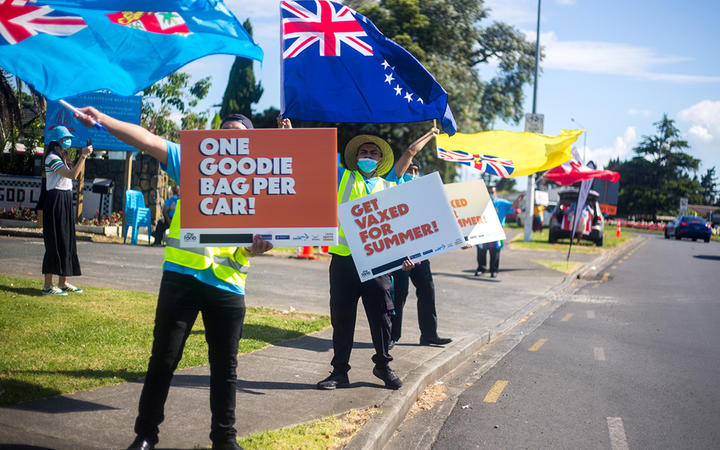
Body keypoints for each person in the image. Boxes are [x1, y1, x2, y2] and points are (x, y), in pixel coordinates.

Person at [74, 107, 272, 450]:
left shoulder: (262, 180)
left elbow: (269, 233)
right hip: (181, 278)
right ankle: (146, 434)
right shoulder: (195, 160)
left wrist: (258, 248)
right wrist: (103, 120)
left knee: (225, 368)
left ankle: (224, 440)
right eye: (223, 131)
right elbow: (147, 140)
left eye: (237, 132)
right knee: (163, 359)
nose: (229, 136)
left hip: (228, 285)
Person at [317, 131, 435, 392]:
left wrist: (406, 257)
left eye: (373, 153)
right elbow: (312, 159)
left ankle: (383, 365)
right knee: (342, 318)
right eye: (363, 152)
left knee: (382, 316)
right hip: (344, 261)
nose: (367, 156)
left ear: (381, 160)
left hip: (376, 263)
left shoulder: (389, 185)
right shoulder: (342, 177)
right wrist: (289, 136)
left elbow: (409, 155)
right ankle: (339, 372)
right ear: (355, 158)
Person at [385, 153, 452, 348]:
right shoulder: (392, 190)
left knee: (427, 291)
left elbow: (437, 221)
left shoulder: (423, 195)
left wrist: (457, 240)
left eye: (415, 171)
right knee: (400, 293)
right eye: (409, 170)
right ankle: (392, 336)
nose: (412, 174)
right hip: (398, 253)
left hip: (420, 253)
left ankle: (429, 335)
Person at [41, 126, 93, 295]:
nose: (68, 140)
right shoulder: (51, 158)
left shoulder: (63, 156)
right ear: (57, 141)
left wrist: (81, 157)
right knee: (54, 243)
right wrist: (83, 156)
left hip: (65, 199)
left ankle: (63, 283)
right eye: (65, 138)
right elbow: (72, 175)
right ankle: (47, 287)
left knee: (67, 241)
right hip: (55, 200)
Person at [475, 186, 523, 278]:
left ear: (496, 193)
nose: (491, 194)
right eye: (489, 192)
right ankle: (481, 268)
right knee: (481, 250)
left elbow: (513, 205)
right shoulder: (481, 203)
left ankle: (494, 270)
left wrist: (518, 200)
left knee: (495, 251)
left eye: (492, 192)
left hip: (496, 231)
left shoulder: (501, 203)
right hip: (482, 230)